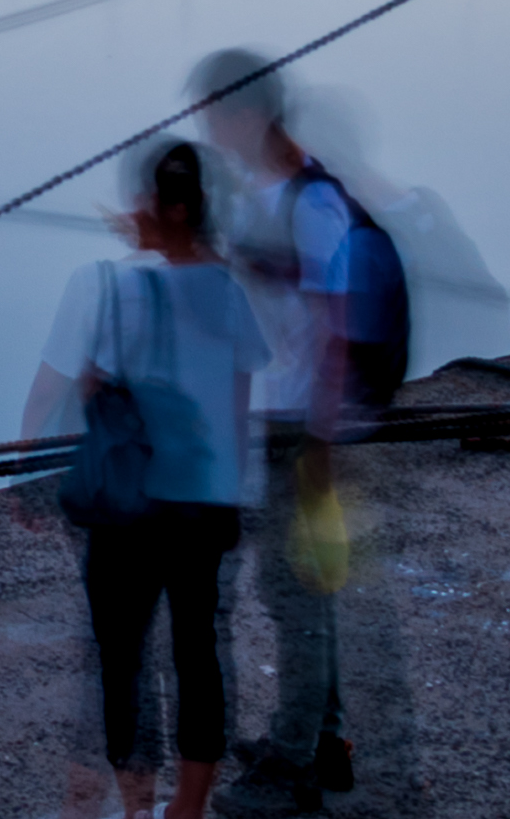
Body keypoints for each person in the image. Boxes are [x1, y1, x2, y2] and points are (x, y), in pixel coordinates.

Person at [193, 52, 409, 816]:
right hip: (262, 416)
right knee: (293, 592)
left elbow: (337, 329)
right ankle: (322, 742)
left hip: (294, 426)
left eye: (213, 117)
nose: (208, 132)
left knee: (294, 600)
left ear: (248, 116)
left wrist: (318, 448)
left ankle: (295, 770)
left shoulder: (312, 202)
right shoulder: (261, 193)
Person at [35, 141, 272, 819]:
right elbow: (236, 400)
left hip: (130, 507)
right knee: (198, 654)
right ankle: (188, 808)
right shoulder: (226, 290)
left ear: (168, 208)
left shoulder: (125, 289)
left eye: (145, 200)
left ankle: (136, 807)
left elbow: (92, 387)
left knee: (123, 659)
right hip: (203, 502)